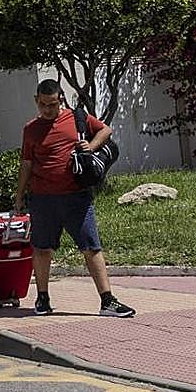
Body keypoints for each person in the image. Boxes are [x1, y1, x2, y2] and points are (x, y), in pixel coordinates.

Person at [14, 80, 135, 318]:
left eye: (52, 104)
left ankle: (107, 300)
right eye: (42, 104)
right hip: (42, 199)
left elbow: (105, 130)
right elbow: (26, 164)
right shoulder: (31, 129)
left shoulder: (76, 118)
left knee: (91, 247)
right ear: (36, 100)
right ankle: (42, 298)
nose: (47, 109)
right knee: (41, 248)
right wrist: (19, 197)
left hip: (76, 197)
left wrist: (90, 146)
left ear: (61, 99)